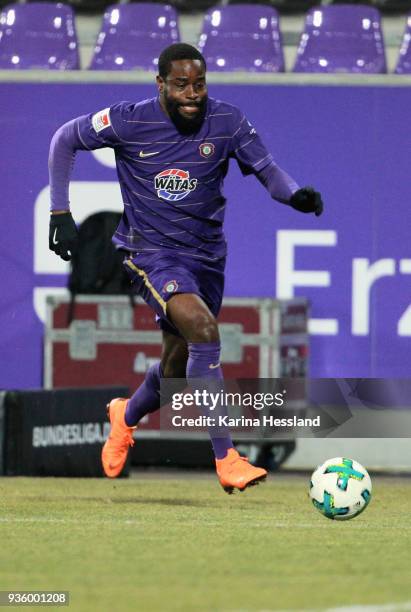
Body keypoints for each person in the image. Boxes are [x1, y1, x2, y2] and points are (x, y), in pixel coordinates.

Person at [48, 43, 323, 494]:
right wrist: (60, 213)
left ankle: (125, 415)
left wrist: (295, 195)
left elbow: (269, 171)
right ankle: (227, 457)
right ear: (160, 84)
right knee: (204, 330)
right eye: (180, 85)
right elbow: (64, 139)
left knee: (176, 370)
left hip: (207, 258)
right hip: (149, 253)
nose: (191, 94)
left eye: (198, 84)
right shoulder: (127, 119)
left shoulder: (228, 120)